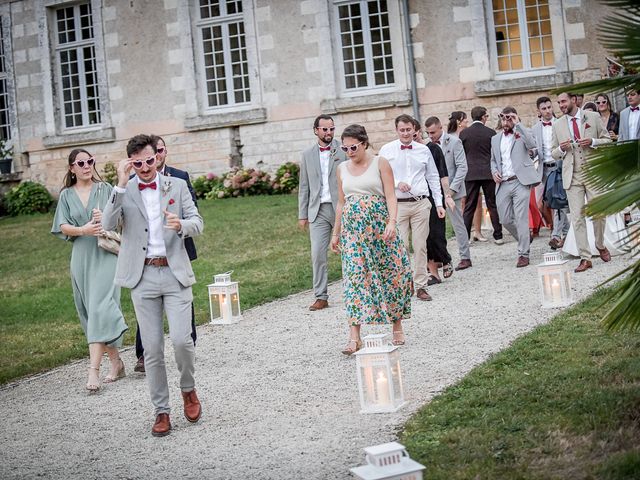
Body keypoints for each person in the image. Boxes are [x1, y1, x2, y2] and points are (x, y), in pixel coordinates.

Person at [103, 134, 203, 437]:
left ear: (157, 157)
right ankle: (161, 410)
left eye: (149, 160)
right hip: (142, 277)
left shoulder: (178, 185)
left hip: (174, 274)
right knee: (153, 348)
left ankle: (188, 389)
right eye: (138, 163)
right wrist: (120, 184)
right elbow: (107, 224)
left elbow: (198, 222)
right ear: (130, 163)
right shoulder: (124, 190)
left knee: (182, 341)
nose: (145, 167)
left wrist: (181, 225)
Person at [330, 124, 411, 354]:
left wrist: (392, 222)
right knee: (355, 280)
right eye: (345, 148)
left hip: (380, 229)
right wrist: (336, 233)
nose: (349, 152)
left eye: (353, 147)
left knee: (390, 274)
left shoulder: (380, 163)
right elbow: (341, 202)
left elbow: (390, 195)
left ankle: (397, 324)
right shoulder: (341, 169)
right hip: (353, 234)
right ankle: (354, 336)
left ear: (364, 143)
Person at [51, 149, 128, 393]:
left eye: (90, 161)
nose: (87, 165)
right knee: (90, 312)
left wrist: (103, 217)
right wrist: (83, 229)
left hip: (105, 254)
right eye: (81, 162)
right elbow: (61, 226)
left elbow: (119, 219)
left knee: (99, 308)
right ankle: (116, 362)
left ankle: (92, 370)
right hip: (81, 258)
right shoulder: (65, 195)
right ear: (72, 168)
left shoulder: (105, 188)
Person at [133, 135, 199, 374]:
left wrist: (180, 223)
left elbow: (195, 214)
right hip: (145, 264)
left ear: (164, 152)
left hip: (177, 250)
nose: (154, 158)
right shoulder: (130, 185)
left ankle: (188, 347)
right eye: (141, 161)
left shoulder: (179, 178)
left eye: (159, 151)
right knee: (149, 321)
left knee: (183, 307)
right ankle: (143, 354)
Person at [378, 114, 445, 301]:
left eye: (409, 130)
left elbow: (433, 177)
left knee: (420, 245)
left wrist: (438, 204)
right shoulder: (386, 150)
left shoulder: (423, 150)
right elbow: (381, 176)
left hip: (420, 203)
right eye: (402, 130)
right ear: (396, 130)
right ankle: (404, 284)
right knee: (401, 246)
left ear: (414, 130)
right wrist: (398, 183)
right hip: (397, 205)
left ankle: (421, 286)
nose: (406, 133)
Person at [551, 92, 612, 272]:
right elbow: (553, 152)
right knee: (577, 218)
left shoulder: (592, 117)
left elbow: (608, 140)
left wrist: (592, 141)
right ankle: (585, 258)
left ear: (573, 100)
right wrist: (561, 149)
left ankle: (600, 244)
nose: (561, 105)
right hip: (572, 175)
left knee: (599, 213)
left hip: (592, 172)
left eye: (563, 101)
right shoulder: (558, 124)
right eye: (559, 102)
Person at [298, 115, 347, 311]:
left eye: (331, 129)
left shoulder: (343, 150)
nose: (328, 133)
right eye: (325, 129)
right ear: (316, 130)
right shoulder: (307, 154)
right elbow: (304, 186)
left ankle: (352, 291)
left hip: (340, 208)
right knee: (317, 254)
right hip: (317, 210)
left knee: (348, 252)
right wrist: (302, 214)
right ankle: (321, 296)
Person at [491, 107, 542, 267]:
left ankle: (523, 254)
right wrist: (493, 171)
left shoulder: (521, 133)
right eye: (504, 118)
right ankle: (524, 236)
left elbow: (533, 145)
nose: (506, 121)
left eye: (509, 118)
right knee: (504, 219)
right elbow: (493, 160)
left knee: (521, 218)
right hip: (503, 183)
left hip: (521, 181)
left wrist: (517, 123)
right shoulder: (495, 139)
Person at [424, 116, 472, 272]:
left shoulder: (454, 142)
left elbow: (462, 168)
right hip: (434, 193)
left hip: (453, 191)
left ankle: (465, 257)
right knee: (436, 228)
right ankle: (439, 259)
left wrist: (450, 191)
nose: (430, 136)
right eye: (428, 133)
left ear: (440, 128)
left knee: (458, 224)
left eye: (432, 132)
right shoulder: (427, 145)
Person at [460, 106, 503, 244]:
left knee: (469, 206)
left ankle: (465, 237)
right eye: (486, 116)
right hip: (487, 172)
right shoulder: (490, 133)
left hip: (470, 173)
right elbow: (495, 153)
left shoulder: (464, 134)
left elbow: (463, 153)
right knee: (492, 204)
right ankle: (498, 235)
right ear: (483, 117)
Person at [532, 96, 570, 249]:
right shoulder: (535, 128)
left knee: (558, 201)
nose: (547, 111)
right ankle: (567, 232)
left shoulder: (561, 123)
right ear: (539, 111)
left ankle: (555, 235)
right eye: (544, 108)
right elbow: (535, 148)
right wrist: (531, 153)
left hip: (558, 167)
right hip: (543, 169)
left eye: (549, 107)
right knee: (540, 204)